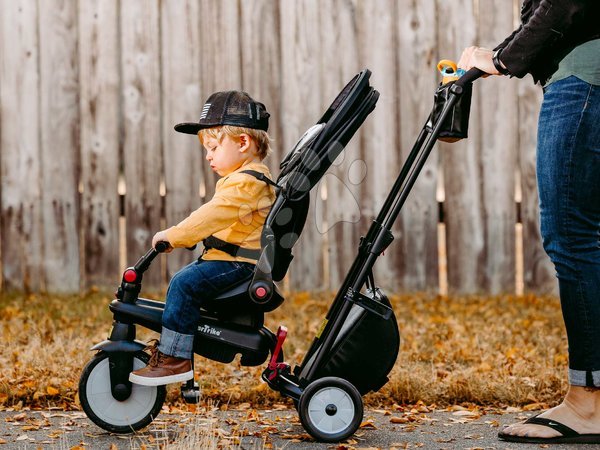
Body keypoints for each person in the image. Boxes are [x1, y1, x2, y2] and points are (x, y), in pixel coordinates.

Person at [458, 0, 600, 444]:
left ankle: (588, 401)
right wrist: (500, 53)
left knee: (571, 236)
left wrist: (500, 59)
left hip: (585, 79)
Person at [129, 91, 276, 386]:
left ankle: (174, 359)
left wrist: (173, 236)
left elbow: (210, 216)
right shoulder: (245, 180)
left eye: (213, 147)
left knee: (184, 285)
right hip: (231, 261)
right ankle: (177, 355)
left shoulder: (247, 183)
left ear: (243, 143)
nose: (207, 155)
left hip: (238, 265)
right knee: (186, 281)